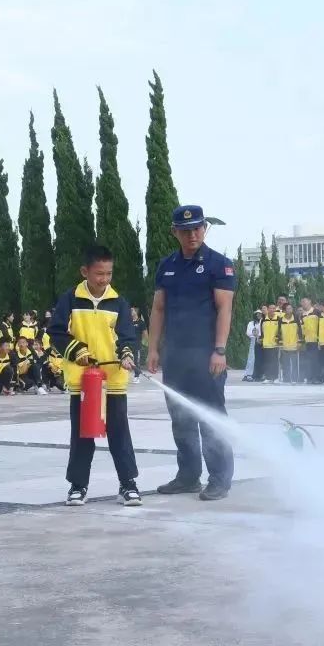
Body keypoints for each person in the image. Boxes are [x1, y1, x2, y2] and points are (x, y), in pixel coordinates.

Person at [147, 205, 236, 502]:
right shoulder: (166, 266)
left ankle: (220, 479)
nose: (192, 234)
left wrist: (220, 350)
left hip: (207, 354)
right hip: (176, 355)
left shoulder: (218, 265)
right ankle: (188, 476)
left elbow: (225, 308)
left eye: (197, 228)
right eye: (185, 230)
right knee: (181, 418)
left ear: (204, 229)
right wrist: (154, 348)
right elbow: (158, 308)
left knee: (211, 417)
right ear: (175, 232)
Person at [47, 244, 140, 507]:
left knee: (119, 432)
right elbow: (56, 332)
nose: (104, 280)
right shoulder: (70, 299)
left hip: (113, 380)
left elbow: (127, 336)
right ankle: (78, 486)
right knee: (83, 434)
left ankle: (128, 484)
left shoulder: (118, 302)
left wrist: (127, 354)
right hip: (84, 381)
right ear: (85, 271)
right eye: (99, 274)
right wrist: (77, 351)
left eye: (109, 274)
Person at [298, 298, 320, 384]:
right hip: (307, 340)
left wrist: (319, 338)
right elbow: (302, 329)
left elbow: (321, 325)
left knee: (316, 360)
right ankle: (310, 377)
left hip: (316, 340)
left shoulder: (316, 312)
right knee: (309, 360)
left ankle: (317, 378)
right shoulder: (302, 315)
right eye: (302, 302)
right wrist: (302, 340)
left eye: (304, 301)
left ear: (310, 302)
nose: (303, 303)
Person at [279, 304, 301, 384]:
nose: (289, 310)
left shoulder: (296, 318)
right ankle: (286, 378)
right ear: (284, 310)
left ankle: (294, 378)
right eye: (287, 309)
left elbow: (300, 331)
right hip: (285, 345)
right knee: (285, 363)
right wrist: (280, 341)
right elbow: (279, 332)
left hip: (294, 344)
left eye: (291, 308)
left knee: (294, 363)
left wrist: (299, 342)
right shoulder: (281, 320)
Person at [259, 304, 280, 383]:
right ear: (268, 309)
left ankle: (275, 378)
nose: (272, 310)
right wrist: (261, 339)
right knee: (267, 361)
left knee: (275, 361)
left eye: (274, 308)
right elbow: (261, 331)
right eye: (270, 308)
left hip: (275, 343)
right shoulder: (264, 319)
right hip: (266, 343)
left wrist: (278, 339)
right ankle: (268, 377)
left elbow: (280, 330)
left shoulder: (278, 319)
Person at [243, 311, 261, 382]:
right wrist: (254, 334)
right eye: (257, 314)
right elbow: (248, 332)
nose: (259, 315)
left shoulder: (262, 322)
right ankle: (248, 374)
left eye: (260, 314)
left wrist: (258, 335)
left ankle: (257, 374)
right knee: (251, 358)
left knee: (259, 358)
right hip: (253, 341)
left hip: (260, 341)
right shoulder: (251, 323)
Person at [131, 307, 147, 383]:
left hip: (137, 344)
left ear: (136, 312)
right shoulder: (129, 322)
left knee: (136, 361)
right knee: (126, 359)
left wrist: (144, 341)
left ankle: (137, 376)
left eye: (132, 310)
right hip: (128, 344)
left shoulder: (141, 322)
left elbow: (145, 333)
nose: (130, 312)